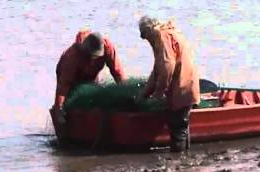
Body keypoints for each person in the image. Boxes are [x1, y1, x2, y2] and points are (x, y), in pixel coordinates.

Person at [51, 29, 126, 144]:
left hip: (91, 77)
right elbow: (64, 85)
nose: (94, 58)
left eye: (97, 56)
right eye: (92, 56)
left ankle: (94, 127)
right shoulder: (72, 56)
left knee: (93, 100)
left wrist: (125, 92)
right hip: (71, 79)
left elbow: (117, 72)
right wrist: (59, 108)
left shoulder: (107, 47)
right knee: (70, 103)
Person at [137, 16, 200, 152]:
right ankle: (185, 159)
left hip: (182, 87)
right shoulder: (167, 34)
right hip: (187, 85)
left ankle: (179, 160)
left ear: (149, 30)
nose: (146, 40)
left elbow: (167, 66)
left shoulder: (162, 36)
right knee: (182, 126)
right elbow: (157, 71)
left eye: (145, 36)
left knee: (178, 125)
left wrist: (159, 93)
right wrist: (145, 94)